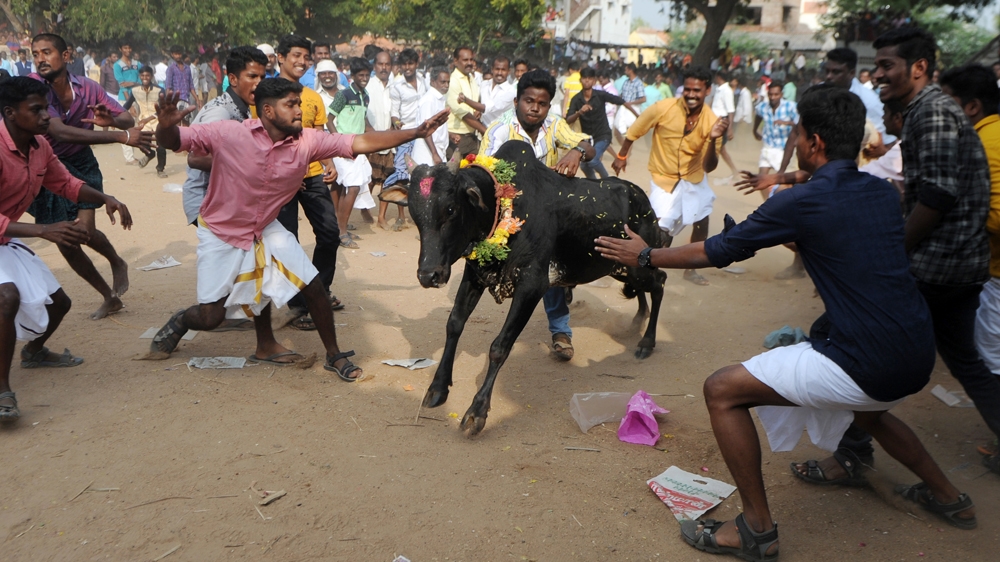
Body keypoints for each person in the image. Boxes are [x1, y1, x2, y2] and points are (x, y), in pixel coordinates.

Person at [595, 85, 978, 561]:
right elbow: (829, 236)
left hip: (866, 361)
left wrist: (646, 254)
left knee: (721, 390)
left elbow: (716, 252)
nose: (794, 138)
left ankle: (756, 530)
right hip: (916, 351)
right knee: (868, 409)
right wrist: (788, 187)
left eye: (798, 132)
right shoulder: (881, 191)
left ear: (813, 141)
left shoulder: (801, 202)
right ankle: (948, 497)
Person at [795, 27, 1000, 483]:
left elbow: (939, 195)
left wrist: (891, 253)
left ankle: (851, 454)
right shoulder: (927, 111)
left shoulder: (932, 113)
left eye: (888, 65)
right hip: (958, 266)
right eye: (879, 64)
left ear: (920, 67)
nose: (879, 73)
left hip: (936, 267)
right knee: (965, 359)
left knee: (843, 338)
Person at [148, 79, 449, 381]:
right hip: (221, 230)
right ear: (267, 110)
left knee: (313, 285)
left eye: (299, 103)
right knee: (210, 317)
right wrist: (165, 125)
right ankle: (182, 321)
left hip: (264, 225)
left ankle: (333, 355)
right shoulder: (229, 133)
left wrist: (417, 132)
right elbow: (174, 141)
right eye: (290, 104)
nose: (298, 110)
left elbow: (361, 141)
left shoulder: (307, 141)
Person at [0, 77, 133, 421]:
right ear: (11, 113)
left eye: (46, 108)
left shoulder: (40, 146)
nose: (47, 116)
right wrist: (43, 229)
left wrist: (106, 197)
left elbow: (67, 184)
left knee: (60, 303)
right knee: (8, 297)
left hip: (3, 241)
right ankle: (3, 392)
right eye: (37, 110)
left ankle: (34, 351)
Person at [28, 33, 151, 319]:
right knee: (66, 240)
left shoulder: (87, 87)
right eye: (35, 54)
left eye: (46, 52)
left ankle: (116, 261)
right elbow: (57, 131)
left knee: (81, 232)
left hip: (81, 163)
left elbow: (127, 118)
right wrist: (119, 136)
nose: (40, 59)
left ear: (67, 55)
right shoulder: (35, 88)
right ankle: (109, 296)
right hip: (46, 165)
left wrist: (111, 120)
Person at [479, 69, 596, 360]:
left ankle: (560, 330)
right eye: (529, 101)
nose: (535, 108)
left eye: (542, 103)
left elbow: (589, 146)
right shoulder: (498, 130)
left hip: (547, 211)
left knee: (549, 268)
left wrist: (576, 153)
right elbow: (483, 174)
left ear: (549, 105)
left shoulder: (555, 126)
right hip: (508, 210)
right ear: (517, 101)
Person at [612, 66, 726, 287]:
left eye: (698, 90)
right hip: (663, 178)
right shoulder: (663, 108)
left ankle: (691, 269)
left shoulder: (713, 122)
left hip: (693, 177)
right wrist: (621, 154)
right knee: (660, 230)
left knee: (702, 219)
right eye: (688, 89)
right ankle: (645, 268)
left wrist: (712, 139)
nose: (692, 95)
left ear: (708, 90)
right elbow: (637, 128)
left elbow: (710, 167)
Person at [940, 65, 1000, 466]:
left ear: (973, 105)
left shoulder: (985, 143)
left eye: (950, 106)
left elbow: (996, 214)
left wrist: (950, 216)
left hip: (993, 273)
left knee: (990, 357)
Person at [272, 35, 342, 331]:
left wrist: (330, 162)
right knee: (288, 241)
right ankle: (298, 303)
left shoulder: (313, 98)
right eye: (295, 56)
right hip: (280, 179)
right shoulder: (265, 94)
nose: (301, 62)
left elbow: (318, 136)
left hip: (312, 174)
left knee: (330, 233)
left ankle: (319, 292)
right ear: (280, 57)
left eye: (305, 57)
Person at [329, 57, 374, 250]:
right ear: (353, 76)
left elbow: (363, 121)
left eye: (366, 75)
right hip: (342, 148)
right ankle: (341, 232)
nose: (364, 78)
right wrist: (338, 141)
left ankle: (340, 228)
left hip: (358, 147)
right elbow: (329, 119)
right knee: (353, 187)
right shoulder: (344, 95)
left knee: (349, 188)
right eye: (360, 75)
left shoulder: (366, 96)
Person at [384, 48, 426, 229]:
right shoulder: (397, 86)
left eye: (411, 63)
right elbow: (394, 112)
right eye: (404, 64)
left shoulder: (425, 81)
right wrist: (396, 123)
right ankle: (393, 215)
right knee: (401, 173)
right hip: (407, 134)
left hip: (424, 134)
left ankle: (422, 216)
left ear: (416, 64)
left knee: (423, 174)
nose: (407, 67)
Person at [565, 67, 624, 179]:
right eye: (584, 78)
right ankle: (594, 184)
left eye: (589, 78)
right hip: (588, 138)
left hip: (603, 135)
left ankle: (606, 181)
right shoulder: (576, 99)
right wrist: (579, 113)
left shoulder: (601, 95)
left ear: (594, 81)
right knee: (584, 165)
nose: (587, 81)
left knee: (593, 161)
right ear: (580, 80)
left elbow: (622, 101)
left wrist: (637, 115)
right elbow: (568, 119)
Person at [365, 50, 396, 230]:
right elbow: (364, 114)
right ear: (374, 66)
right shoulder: (368, 86)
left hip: (390, 140)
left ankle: (382, 217)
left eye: (387, 64)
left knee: (388, 179)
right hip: (373, 139)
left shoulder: (395, 86)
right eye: (380, 64)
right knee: (370, 179)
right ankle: (365, 209)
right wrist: (372, 133)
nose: (384, 68)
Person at [446, 46, 484, 158]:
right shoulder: (453, 81)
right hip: (457, 138)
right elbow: (462, 113)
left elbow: (473, 105)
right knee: (456, 173)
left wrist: (477, 111)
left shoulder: (471, 78)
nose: (469, 63)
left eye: (471, 60)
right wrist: (484, 130)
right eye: (465, 60)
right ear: (455, 61)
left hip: (471, 136)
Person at [129, 66, 167, 175]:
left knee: (161, 147)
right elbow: (127, 104)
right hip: (143, 122)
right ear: (140, 76)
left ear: (151, 76)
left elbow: (163, 108)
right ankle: (150, 154)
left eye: (147, 75)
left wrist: (148, 119)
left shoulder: (159, 90)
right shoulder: (135, 91)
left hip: (157, 121)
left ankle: (160, 169)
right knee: (142, 143)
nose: (145, 78)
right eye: (142, 75)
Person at [411, 67, 450, 166]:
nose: (446, 85)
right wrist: (434, 153)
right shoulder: (429, 100)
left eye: (448, 82)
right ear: (433, 82)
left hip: (437, 149)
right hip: (427, 151)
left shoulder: (439, 99)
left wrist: (451, 135)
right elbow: (425, 129)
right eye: (443, 82)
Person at [114, 42, 140, 165]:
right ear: (120, 49)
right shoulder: (117, 65)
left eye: (129, 47)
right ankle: (129, 157)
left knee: (137, 126)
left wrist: (132, 83)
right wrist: (129, 105)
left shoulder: (137, 64)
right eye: (125, 47)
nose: (128, 49)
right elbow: (122, 85)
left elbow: (142, 81)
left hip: (137, 97)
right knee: (127, 126)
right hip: (125, 99)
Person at [710, 70, 738, 181]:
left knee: (720, 148)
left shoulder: (726, 91)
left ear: (718, 76)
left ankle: (734, 170)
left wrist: (730, 128)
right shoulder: (719, 89)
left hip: (722, 122)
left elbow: (730, 111)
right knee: (718, 148)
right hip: (714, 121)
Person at [613, 63, 645, 145]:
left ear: (630, 70)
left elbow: (643, 99)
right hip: (623, 108)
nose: (625, 71)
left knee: (629, 133)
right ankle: (625, 150)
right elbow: (622, 95)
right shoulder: (626, 82)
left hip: (632, 108)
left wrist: (630, 103)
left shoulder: (638, 83)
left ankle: (626, 154)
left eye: (626, 69)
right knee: (617, 131)